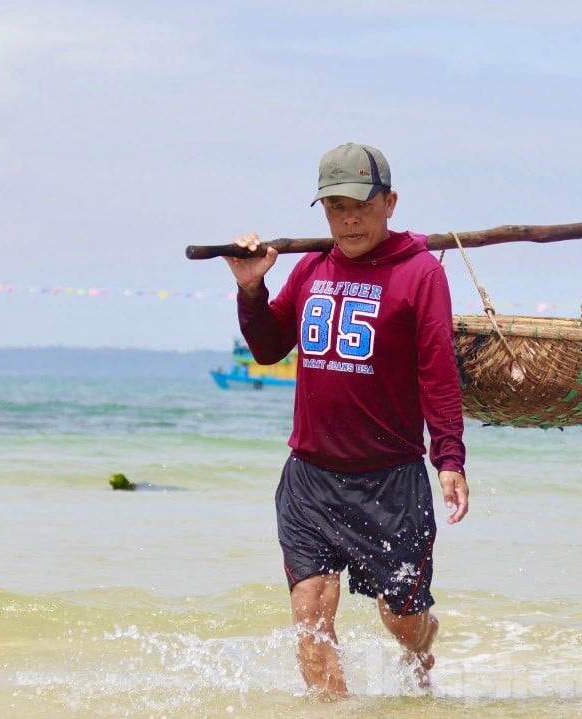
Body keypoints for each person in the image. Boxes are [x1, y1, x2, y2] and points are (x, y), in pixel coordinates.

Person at [222, 142, 469, 699]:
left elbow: (437, 372)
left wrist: (449, 459)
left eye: (360, 204)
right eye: (335, 207)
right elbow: (266, 347)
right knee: (310, 612)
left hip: (391, 481)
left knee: (402, 620)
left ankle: (423, 651)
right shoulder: (311, 267)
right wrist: (250, 288)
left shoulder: (420, 273)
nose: (349, 218)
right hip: (310, 477)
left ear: (390, 202)